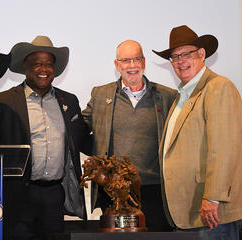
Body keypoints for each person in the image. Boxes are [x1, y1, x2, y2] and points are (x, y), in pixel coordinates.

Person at [0, 35, 92, 240]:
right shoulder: (3, 101)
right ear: (25, 67)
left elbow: (82, 138)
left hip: (54, 194)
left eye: (48, 64)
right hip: (18, 195)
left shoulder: (69, 101)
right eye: (37, 64)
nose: (43, 69)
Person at [153, 25, 242, 239]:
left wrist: (212, 198)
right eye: (175, 57)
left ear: (202, 54)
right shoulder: (181, 95)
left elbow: (225, 148)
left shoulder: (218, 86)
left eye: (187, 54)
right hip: (187, 214)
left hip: (212, 215)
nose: (180, 61)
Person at [82, 40, 177, 232]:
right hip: (114, 193)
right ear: (117, 65)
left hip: (154, 191)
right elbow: (80, 130)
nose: (132, 66)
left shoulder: (168, 96)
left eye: (136, 59)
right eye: (125, 60)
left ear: (143, 61)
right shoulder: (101, 95)